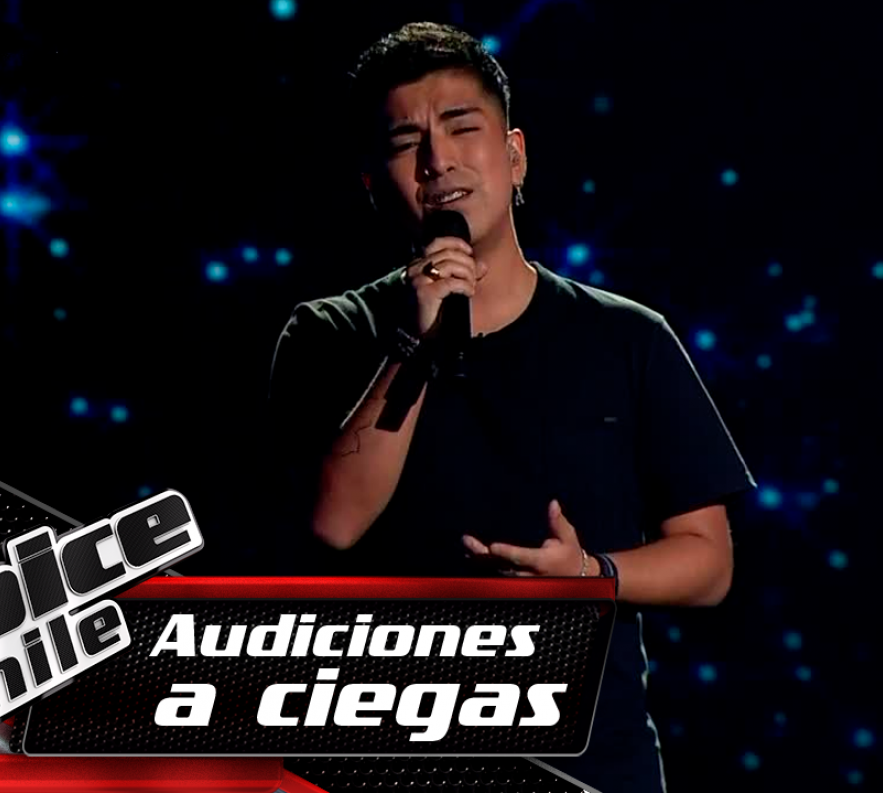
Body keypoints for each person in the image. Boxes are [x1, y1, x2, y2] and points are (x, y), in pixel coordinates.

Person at [266, 21, 755, 793]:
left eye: (463, 127)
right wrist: (414, 344)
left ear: (516, 154)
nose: (438, 160)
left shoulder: (626, 338)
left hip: (587, 767)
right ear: (372, 184)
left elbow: (708, 560)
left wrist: (591, 573)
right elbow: (332, 522)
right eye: (406, 142)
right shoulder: (331, 334)